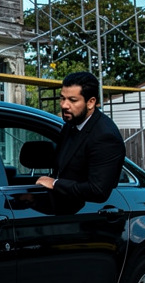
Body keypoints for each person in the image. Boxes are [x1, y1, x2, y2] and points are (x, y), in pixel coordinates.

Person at [35, 70, 126, 205]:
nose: (64, 105)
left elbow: (97, 190)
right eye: (62, 98)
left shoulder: (105, 136)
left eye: (72, 100)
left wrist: (55, 183)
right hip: (60, 213)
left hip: (89, 218)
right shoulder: (71, 125)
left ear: (91, 102)